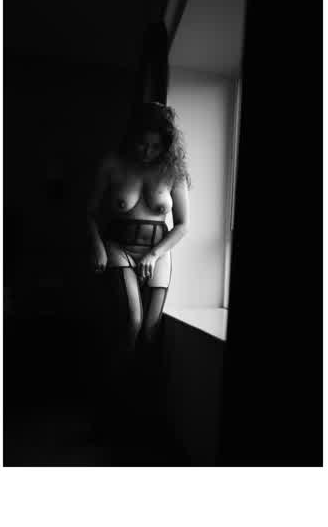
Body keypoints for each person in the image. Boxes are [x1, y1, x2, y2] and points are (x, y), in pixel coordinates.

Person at [86, 101, 191, 434]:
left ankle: (141, 409)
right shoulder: (113, 164)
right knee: (130, 322)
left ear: (166, 145)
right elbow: (90, 212)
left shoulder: (173, 172)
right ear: (132, 138)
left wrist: (154, 254)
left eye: (155, 146)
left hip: (157, 254)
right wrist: (97, 246)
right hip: (118, 248)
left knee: (149, 332)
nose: (147, 151)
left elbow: (183, 225)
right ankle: (110, 404)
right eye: (142, 144)